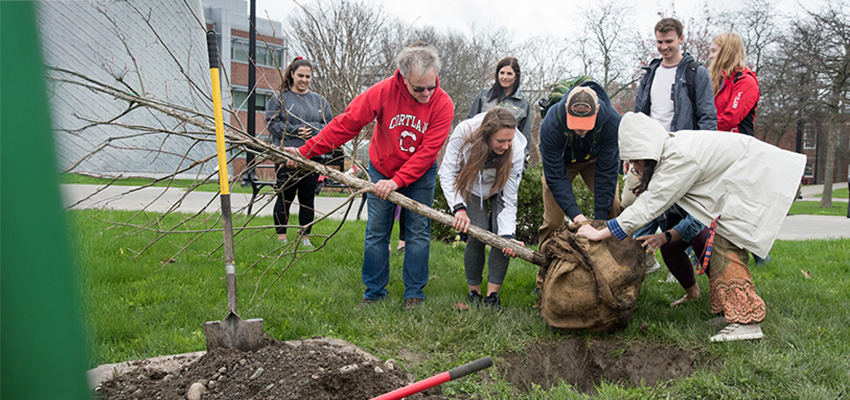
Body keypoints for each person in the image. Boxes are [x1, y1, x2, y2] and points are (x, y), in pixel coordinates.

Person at [577, 112, 806, 342]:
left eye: (637, 160)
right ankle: (731, 313)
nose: (635, 166)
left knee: (727, 247)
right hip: (752, 178)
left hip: (763, 177)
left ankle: (746, 321)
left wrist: (601, 233)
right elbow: (636, 200)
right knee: (721, 244)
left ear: (648, 150)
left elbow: (649, 205)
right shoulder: (672, 148)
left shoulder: (678, 157)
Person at [284, 42, 455, 310]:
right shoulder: (383, 92)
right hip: (382, 167)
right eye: (418, 88)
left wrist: (397, 182)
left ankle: (414, 294)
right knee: (377, 231)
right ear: (403, 78)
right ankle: (374, 293)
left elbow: (427, 153)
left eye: (431, 86)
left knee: (417, 232)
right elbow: (346, 124)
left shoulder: (443, 103)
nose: (426, 93)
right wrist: (306, 151)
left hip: (420, 174)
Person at [627, 17, 718, 273]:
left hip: (682, 150)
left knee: (681, 208)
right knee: (636, 200)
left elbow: (707, 116)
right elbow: (639, 114)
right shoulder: (650, 74)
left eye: (669, 41)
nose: (664, 47)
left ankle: (679, 263)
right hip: (651, 152)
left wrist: (705, 153)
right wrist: (635, 152)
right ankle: (643, 257)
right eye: (659, 42)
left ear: (680, 39)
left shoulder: (696, 73)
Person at [439, 107, 527, 311]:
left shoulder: (516, 149)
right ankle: (474, 293)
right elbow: (447, 172)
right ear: (487, 135)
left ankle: (492, 296)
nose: (506, 145)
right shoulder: (464, 133)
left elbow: (510, 197)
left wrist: (507, 234)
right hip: (471, 186)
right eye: (500, 141)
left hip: (499, 187)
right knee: (477, 234)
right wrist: (459, 209)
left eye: (509, 140)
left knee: (502, 241)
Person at [708, 32, 768, 265]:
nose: (710, 56)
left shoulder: (746, 82)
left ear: (726, 52)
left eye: (714, 51)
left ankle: (761, 254)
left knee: (738, 206)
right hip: (717, 147)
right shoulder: (718, 80)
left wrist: (702, 127)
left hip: (738, 151)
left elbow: (730, 117)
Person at [538, 82, 621, 246]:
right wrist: (578, 218)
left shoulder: (612, 122)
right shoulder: (551, 124)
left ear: (597, 109)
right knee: (553, 222)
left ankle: (614, 254)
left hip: (595, 161)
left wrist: (599, 225)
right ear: (566, 107)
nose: (581, 129)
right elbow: (555, 176)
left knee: (613, 208)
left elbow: (607, 174)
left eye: (586, 123)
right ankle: (545, 258)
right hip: (562, 164)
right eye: (576, 122)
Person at [265, 57, 333, 248]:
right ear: (292, 75)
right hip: (286, 157)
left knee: (307, 198)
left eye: (307, 76)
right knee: (285, 197)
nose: (304, 80)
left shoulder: (320, 101)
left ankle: (305, 238)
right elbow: (272, 123)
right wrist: (295, 130)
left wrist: (312, 129)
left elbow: (329, 126)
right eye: (300, 75)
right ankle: (281, 238)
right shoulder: (279, 98)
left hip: (312, 157)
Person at [468, 57, 531, 157]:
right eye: (502, 73)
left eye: (509, 74)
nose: (504, 77)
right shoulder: (484, 95)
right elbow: (469, 123)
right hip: (481, 152)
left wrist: (524, 157)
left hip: (507, 154)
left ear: (516, 76)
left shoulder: (523, 103)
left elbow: (525, 134)